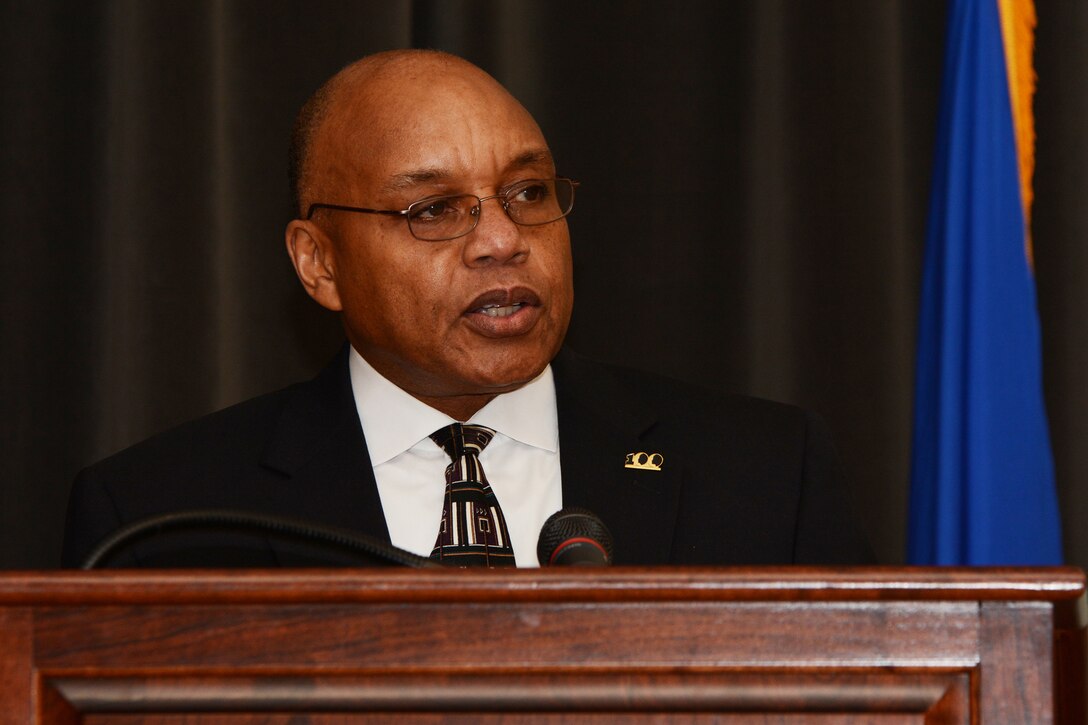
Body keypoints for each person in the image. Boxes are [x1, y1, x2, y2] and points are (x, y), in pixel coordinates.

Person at [62, 50, 872, 568]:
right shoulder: (159, 521)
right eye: (436, 210)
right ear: (318, 263)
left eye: (527, 192)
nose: (501, 240)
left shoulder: (766, 476)